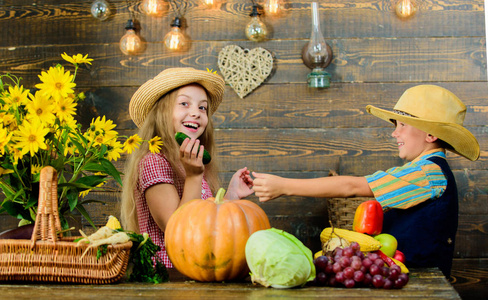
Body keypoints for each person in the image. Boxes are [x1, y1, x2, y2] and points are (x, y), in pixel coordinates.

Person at [252, 85, 480, 278]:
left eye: (402, 125)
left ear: (431, 135)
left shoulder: (428, 173)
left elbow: (351, 187)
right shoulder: (419, 169)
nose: (395, 133)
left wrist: (285, 186)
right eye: (395, 125)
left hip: (423, 278)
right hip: (403, 274)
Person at [120, 67, 254, 268]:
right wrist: (193, 176)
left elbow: (204, 223)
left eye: (203, 108)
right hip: (167, 275)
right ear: (161, 113)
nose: (196, 113)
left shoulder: (192, 164)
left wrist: (232, 195)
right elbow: (177, 228)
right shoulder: (154, 161)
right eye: (184, 103)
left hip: (195, 271)